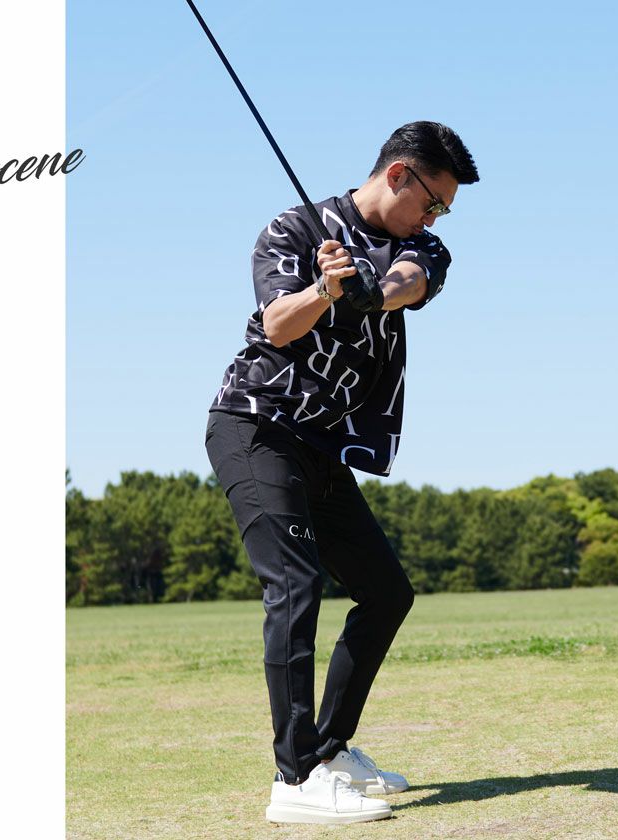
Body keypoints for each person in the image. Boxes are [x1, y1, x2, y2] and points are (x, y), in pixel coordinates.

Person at [204, 121, 479, 825]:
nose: (435, 217)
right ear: (398, 174)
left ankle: (328, 749)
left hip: (323, 448)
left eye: (444, 210)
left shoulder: (421, 245)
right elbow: (277, 325)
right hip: (257, 426)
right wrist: (327, 289)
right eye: (433, 201)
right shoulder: (293, 230)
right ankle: (295, 780)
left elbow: (412, 281)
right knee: (295, 585)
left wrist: (369, 292)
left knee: (386, 593)